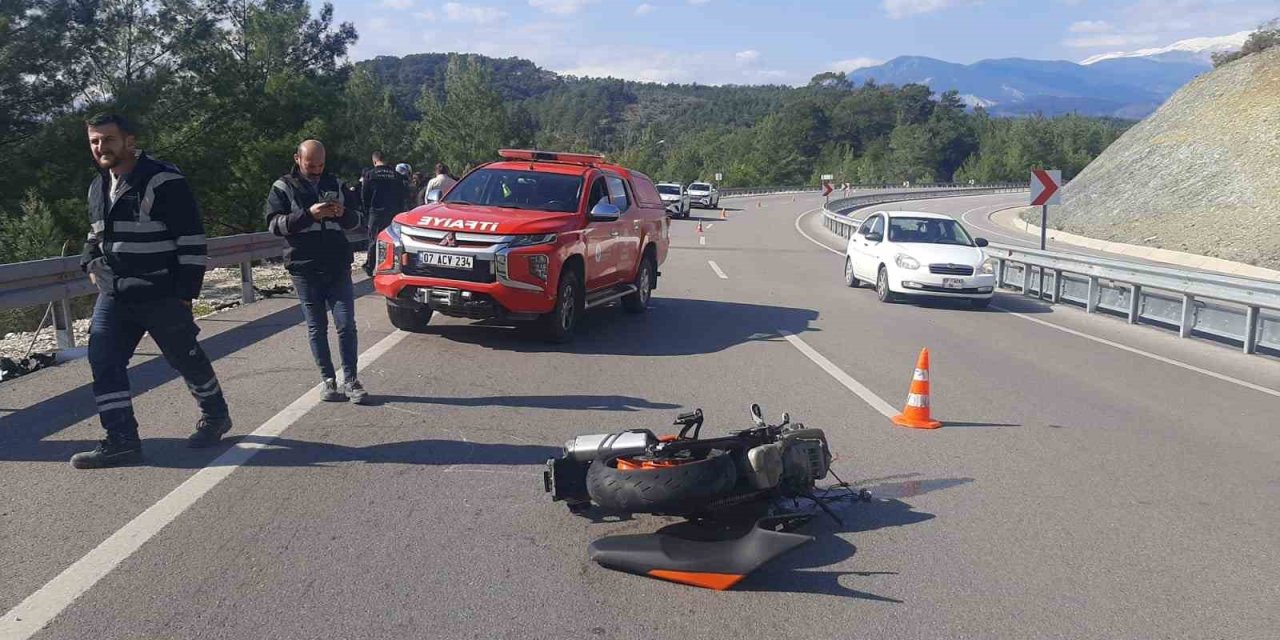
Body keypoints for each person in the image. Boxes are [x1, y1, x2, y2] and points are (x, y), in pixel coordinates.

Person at [72, 113, 232, 469]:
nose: (101, 147)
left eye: (108, 139)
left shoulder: (163, 180)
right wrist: (90, 263)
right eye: (95, 141)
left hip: (161, 292)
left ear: (129, 140)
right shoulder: (98, 186)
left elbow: (191, 241)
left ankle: (216, 414)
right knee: (103, 360)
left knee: (185, 357)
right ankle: (122, 440)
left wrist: (184, 295)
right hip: (115, 295)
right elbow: (96, 236)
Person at [266, 140, 369, 404]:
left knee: (346, 324)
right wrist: (308, 214)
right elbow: (274, 226)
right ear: (297, 159)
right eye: (311, 165)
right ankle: (328, 381)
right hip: (304, 267)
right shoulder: (282, 187)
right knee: (317, 327)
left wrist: (343, 213)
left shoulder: (335, 184)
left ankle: (351, 380)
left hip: (337, 264)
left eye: (321, 165)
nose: (316, 171)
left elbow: (358, 220)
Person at [360, 151, 409, 276]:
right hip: (393, 213)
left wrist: (366, 212)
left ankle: (370, 266)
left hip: (376, 212)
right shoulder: (396, 175)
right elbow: (403, 195)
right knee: (392, 240)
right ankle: (391, 267)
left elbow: (364, 195)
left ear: (374, 161)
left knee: (373, 240)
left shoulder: (370, 175)